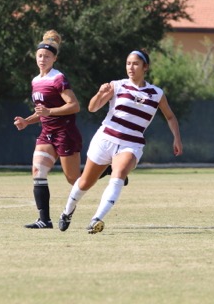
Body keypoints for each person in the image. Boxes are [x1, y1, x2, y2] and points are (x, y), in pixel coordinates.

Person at [58, 49, 183, 234]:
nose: (130, 67)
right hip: (105, 139)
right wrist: (100, 93)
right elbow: (92, 108)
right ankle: (67, 212)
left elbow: (171, 117)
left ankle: (96, 219)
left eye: (135, 63)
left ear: (145, 67)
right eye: (128, 63)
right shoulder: (117, 86)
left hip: (131, 144)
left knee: (119, 174)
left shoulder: (156, 93)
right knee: (85, 182)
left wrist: (177, 138)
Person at [13, 30, 82, 229]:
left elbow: (74, 106)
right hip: (47, 133)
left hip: (65, 132)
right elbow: (42, 112)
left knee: (74, 179)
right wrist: (27, 121)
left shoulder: (58, 78)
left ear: (54, 58)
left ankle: (106, 169)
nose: (43, 59)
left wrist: (49, 111)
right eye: (40, 55)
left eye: (47, 56)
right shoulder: (35, 81)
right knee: (38, 171)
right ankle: (45, 219)